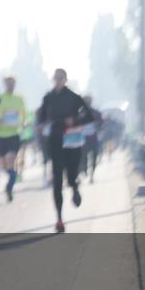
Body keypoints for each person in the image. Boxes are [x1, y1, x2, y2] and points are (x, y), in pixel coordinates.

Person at [36, 68, 90, 233]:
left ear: (65, 79)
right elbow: (41, 117)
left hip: (72, 142)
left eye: (61, 78)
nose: (58, 80)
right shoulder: (48, 97)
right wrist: (41, 124)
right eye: (56, 78)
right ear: (54, 79)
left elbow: (88, 116)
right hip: (55, 141)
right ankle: (59, 218)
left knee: (72, 174)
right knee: (57, 179)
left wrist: (74, 120)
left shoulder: (74, 97)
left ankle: (74, 187)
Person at [0, 74, 28, 202]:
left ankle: (9, 187)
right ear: (5, 84)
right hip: (0, 135)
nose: (11, 85)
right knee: (4, 166)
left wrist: (24, 123)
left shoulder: (19, 99)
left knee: (11, 160)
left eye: (13, 83)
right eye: (8, 83)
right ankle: (12, 176)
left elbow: (24, 115)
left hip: (14, 134)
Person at [80, 94, 104, 184]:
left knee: (94, 158)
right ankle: (85, 171)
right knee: (83, 158)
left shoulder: (96, 113)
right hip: (83, 140)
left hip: (94, 138)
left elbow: (102, 124)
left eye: (88, 101)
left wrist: (98, 128)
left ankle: (92, 175)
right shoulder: (80, 113)